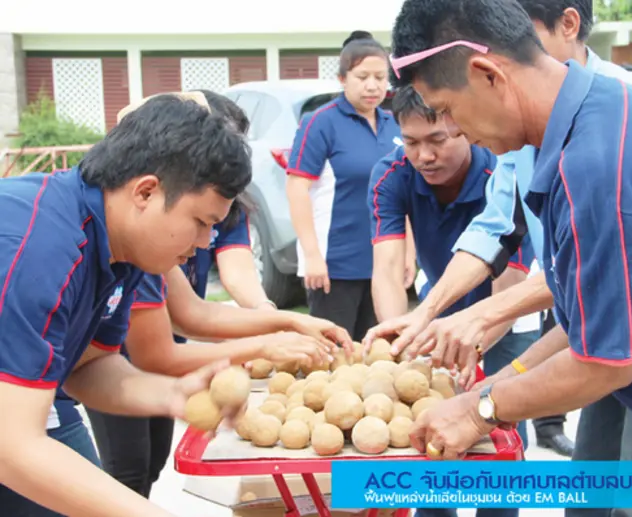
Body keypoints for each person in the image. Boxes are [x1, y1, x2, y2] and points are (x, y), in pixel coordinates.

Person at [377, 0, 632, 514]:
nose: (455, 132)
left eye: (449, 111)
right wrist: (491, 389)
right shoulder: (595, 118)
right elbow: (595, 316)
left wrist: (480, 411)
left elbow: (607, 364)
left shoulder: (600, 160)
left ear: (486, 74)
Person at [0, 93, 334, 516]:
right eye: (200, 223)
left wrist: (172, 394)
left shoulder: (122, 245)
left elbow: (87, 366)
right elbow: (13, 447)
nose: (201, 245)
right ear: (145, 191)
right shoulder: (40, 250)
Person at [83, 90, 350, 500]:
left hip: (85, 373)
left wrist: (282, 318)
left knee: (146, 464)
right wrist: (268, 343)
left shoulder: (149, 234)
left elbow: (191, 312)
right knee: (123, 472)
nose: (206, 240)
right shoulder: (118, 236)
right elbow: (156, 354)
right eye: (201, 223)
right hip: (55, 392)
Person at [369, 85, 541, 464]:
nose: (424, 156)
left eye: (437, 140)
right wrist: (402, 336)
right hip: (441, 307)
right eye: (410, 142)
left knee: (500, 430)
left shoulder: (503, 170)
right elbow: (386, 268)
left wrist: (472, 345)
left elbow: (509, 280)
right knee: (431, 436)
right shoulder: (393, 175)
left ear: (462, 126)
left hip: (509, 314)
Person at [286, 30, 405, 342]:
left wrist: (409, 253)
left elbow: (403, 192)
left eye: (380, 77)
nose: (372, 85)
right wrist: (312, 256)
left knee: (380, 354)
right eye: (362, 76)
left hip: (383, 265)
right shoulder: (320, 122)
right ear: (342, 78)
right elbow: (297, 188)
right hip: (333, 266)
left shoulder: (396, 125)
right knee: (333, 359)